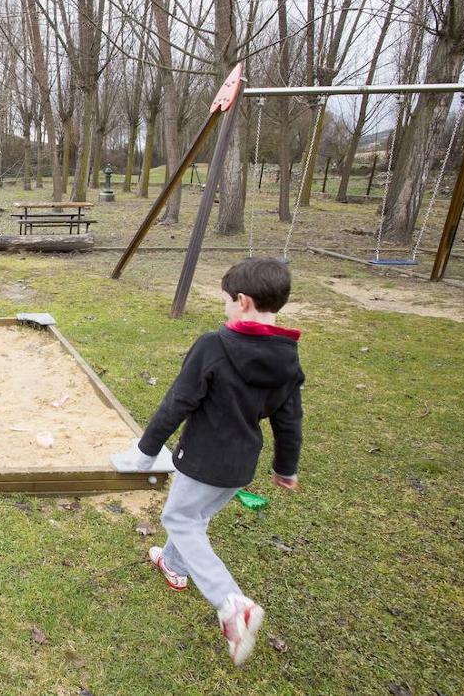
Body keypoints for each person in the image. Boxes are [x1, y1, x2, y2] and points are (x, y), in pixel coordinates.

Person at [131, 257, 304, 666]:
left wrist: (146, 449)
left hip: (203, 460)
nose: (223, 308)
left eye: (226, 300)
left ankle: (231, 603)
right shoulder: (286, 356)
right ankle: (174, 565)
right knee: (198, 515)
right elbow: (288, 419)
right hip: (240, 466)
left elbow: (179, 401)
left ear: (242, 301)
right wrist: (286, 467)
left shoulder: (214, 345)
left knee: (180, 519)